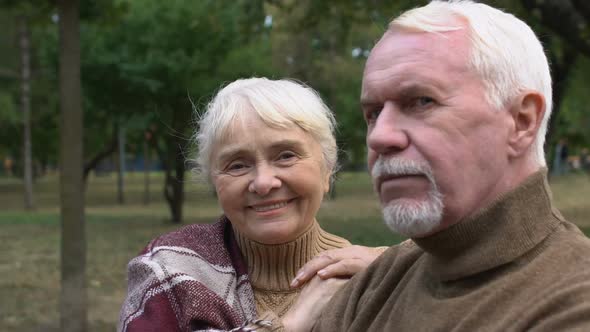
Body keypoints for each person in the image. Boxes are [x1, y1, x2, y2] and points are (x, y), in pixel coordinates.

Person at [283, 1, 590, 331]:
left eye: (421, 102)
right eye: (373, 113)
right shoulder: (377, 282)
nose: (379, 137)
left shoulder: (573, 302)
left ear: (521, 121)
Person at [118, 78, 384, 332]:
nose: (264, 183)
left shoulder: (372, 274)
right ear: (215, 182)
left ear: (327, 170)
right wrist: (289, 325)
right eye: (238, 165)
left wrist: (403, 262)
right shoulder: (168, 270)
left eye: (286, 156)